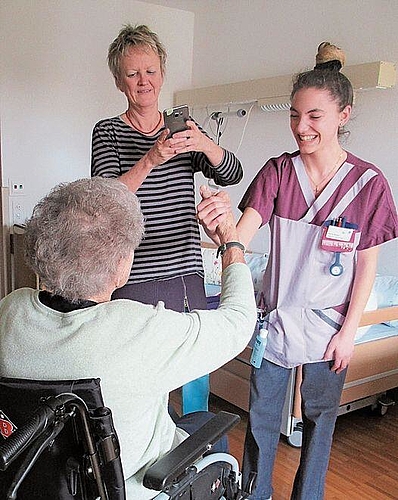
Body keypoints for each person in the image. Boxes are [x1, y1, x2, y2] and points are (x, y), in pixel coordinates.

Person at [197, 42, 398, 500]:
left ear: (343, 115)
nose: (300, 127)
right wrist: (218, 225)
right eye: (294, 115)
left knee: (320, 420)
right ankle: (256, 494)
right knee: (262, 421)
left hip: (331, 327)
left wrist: (349, 331)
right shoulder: (278, 173)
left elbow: (368, 265)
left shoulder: (369, 184)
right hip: (277, 322)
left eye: (313, 117)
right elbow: (239, 238)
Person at [0, 177, 257, 499]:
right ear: (122, 265)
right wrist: (231, 243)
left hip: (32, 481)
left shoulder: (10, 310)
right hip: (136, 489)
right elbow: (239, 320)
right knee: (206, 424)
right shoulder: (140, 330)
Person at [91, 24, 244, 415]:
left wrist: (204, 143)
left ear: (162, 73)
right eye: (132, 73)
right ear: (118, 81)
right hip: (133, 273)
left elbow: (232, 173)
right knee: (141, 377)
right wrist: (151, 158)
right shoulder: (107, 131)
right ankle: (150, 453)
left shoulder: (185, 129)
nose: (144, 81)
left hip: (185, 269)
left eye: (151, 71)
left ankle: (203, 460)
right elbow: (107, 201)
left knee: (195, 376)